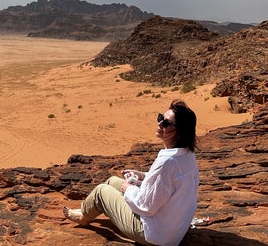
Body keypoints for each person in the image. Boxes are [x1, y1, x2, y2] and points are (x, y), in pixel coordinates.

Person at [63, 100, 199, 246]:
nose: (160, 124)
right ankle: (86, 210)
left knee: (101, 191)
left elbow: (146, 206)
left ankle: (84, 217)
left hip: (154, 235)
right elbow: (170, 182)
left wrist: (129, 189)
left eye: (166, 123)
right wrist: (142, 176)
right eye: (160, 118)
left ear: (180, 132)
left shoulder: (168, 162)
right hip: (172, 230)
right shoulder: (186, 155)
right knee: (112, 181)